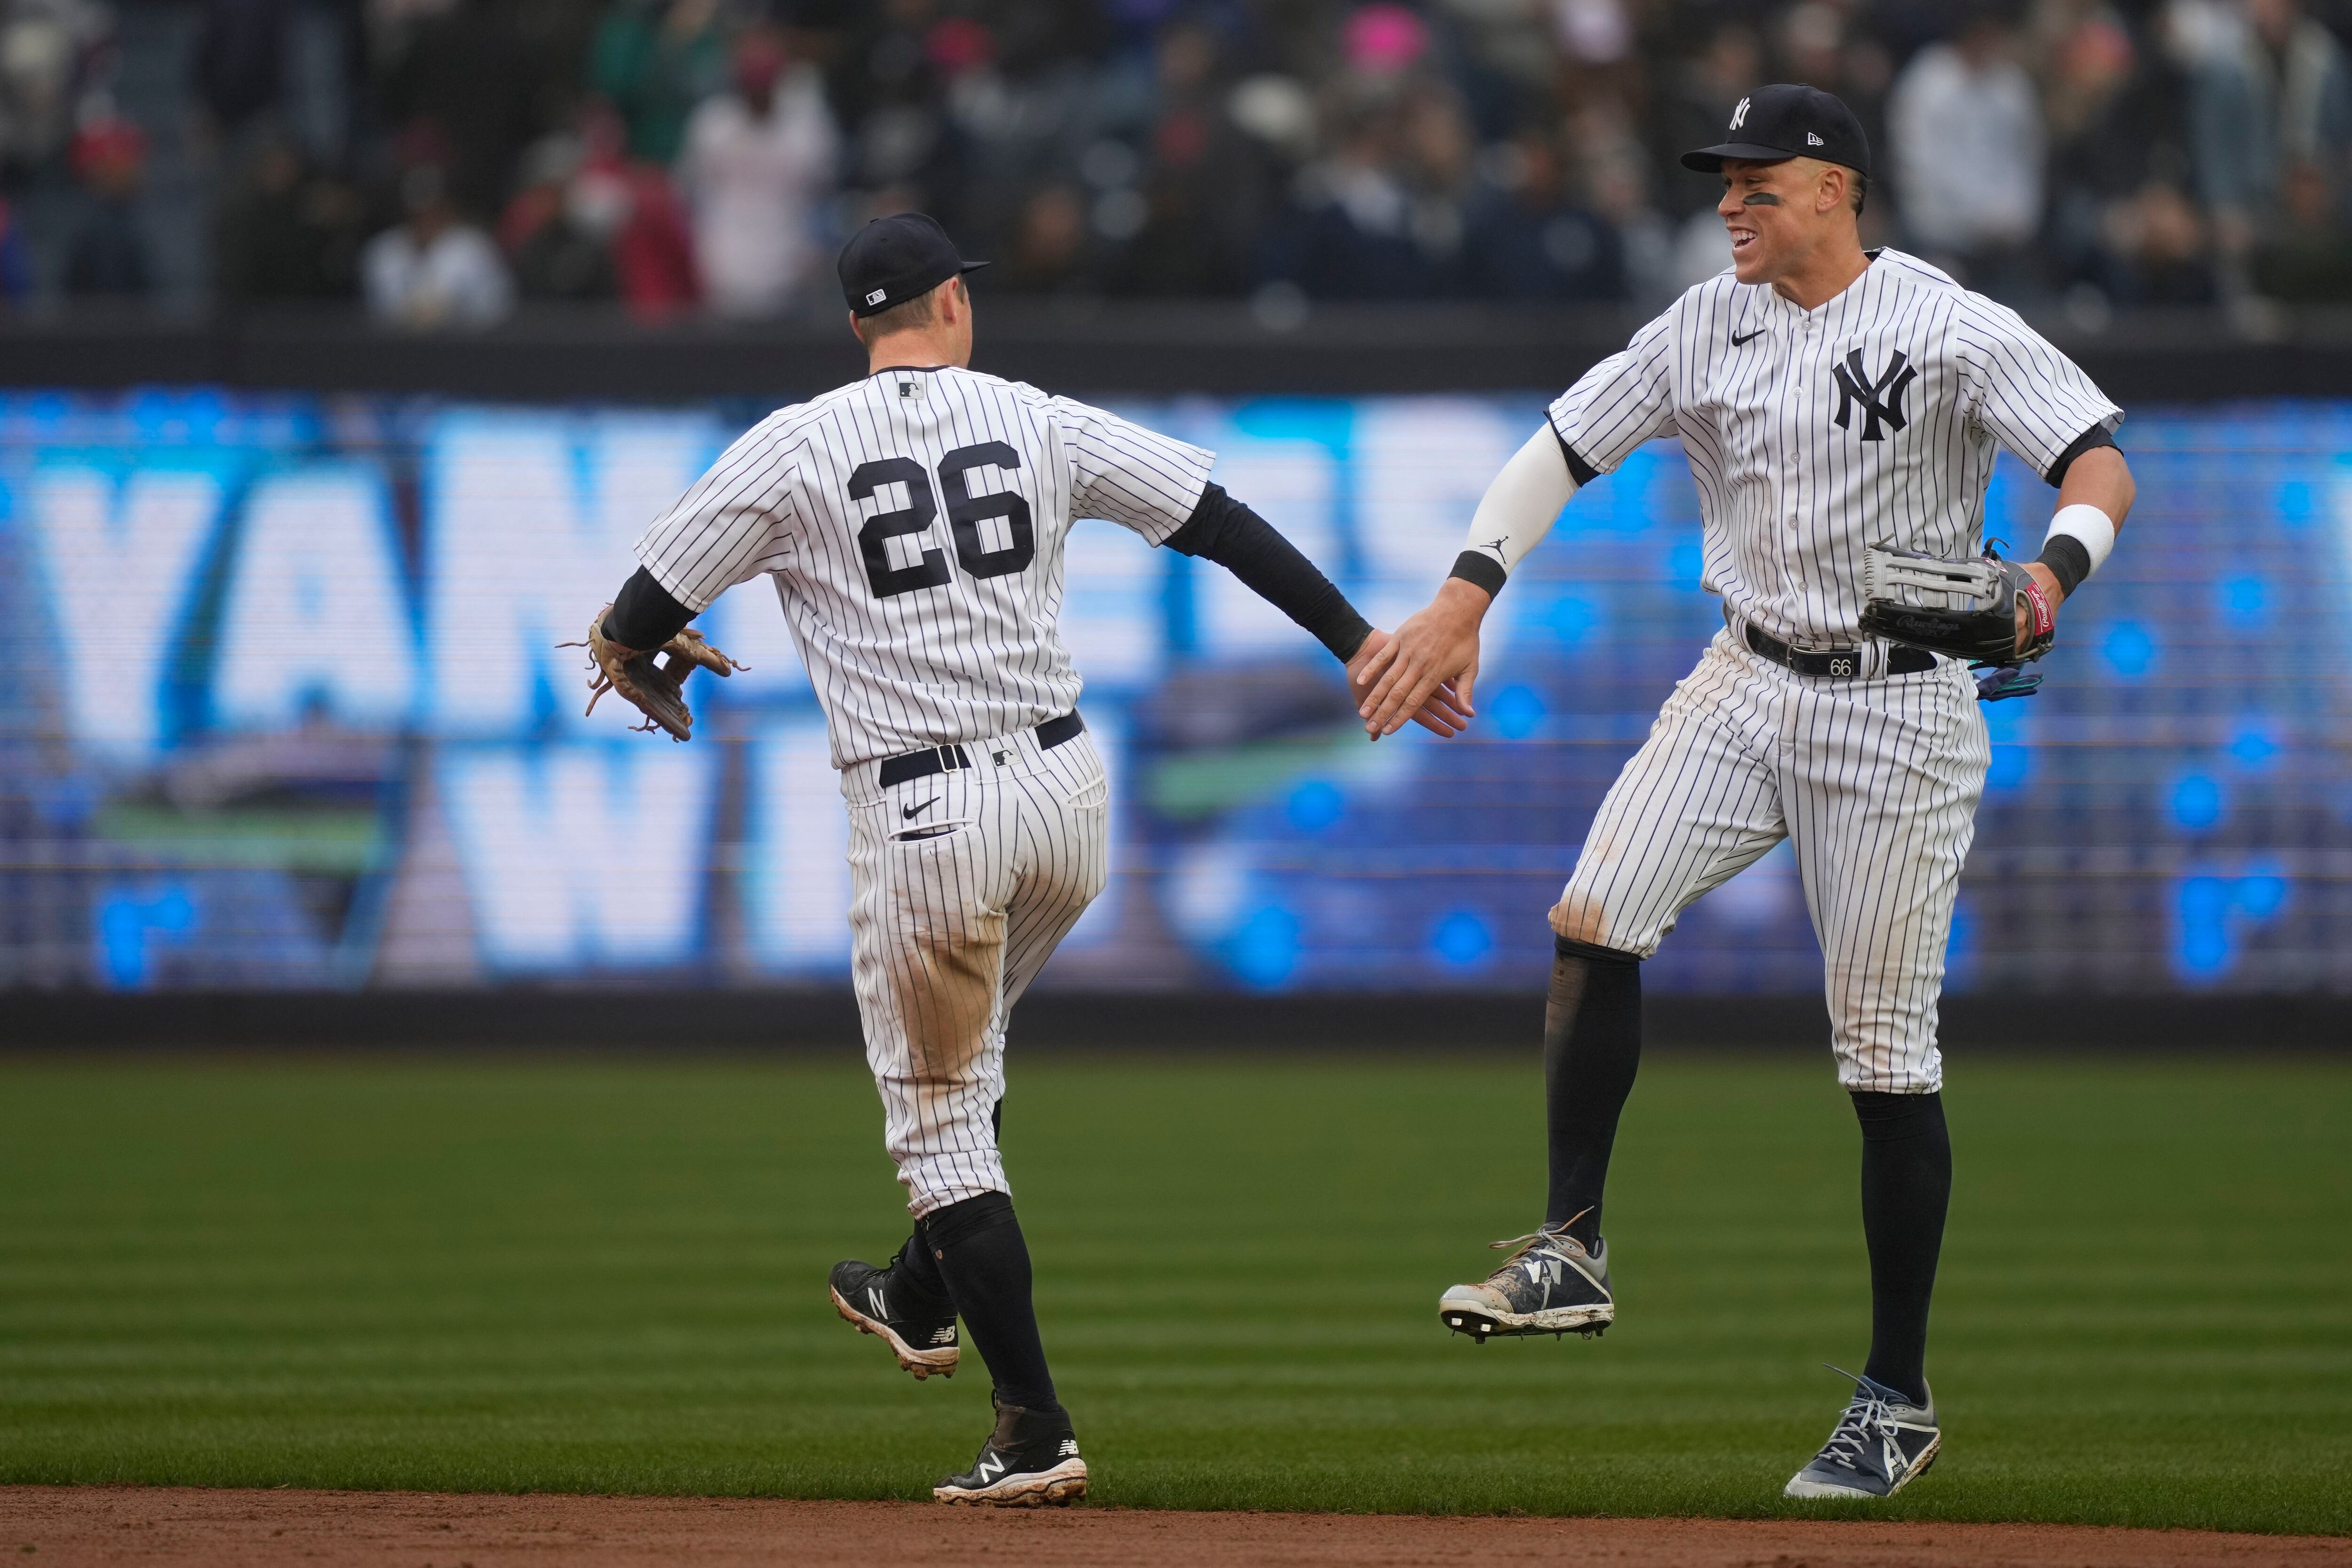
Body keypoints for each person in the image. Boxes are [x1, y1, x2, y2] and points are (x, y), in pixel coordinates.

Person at [581, 213, 1460, 1506]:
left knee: (941, 1129)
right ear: (949, 301)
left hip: (926, 812)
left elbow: (640, 611)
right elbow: (1215, 517)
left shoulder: (793, 445)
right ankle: (917, 1288)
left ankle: (1033, 1423)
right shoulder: (1034, 415)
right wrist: (1354, 639)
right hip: (1065, 798)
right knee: (971, 1072)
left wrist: (641, 650)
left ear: (856, 325)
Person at [1355, 84, 2136, 1501]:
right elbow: (1558, 451)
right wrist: (1464, 597)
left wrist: (2047, 572)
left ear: (1834, 188)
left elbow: (2094, 457)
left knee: (1883, 1059)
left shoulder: (1944, 324)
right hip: (1745, 672)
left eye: (1757, 182)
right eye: (1722, 180)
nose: (1728, 201)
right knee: (1593, 911)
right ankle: (1567, 1249)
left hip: (1899, 707)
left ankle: (1894, 1397)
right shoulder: (1698, 322)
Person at [677, 27, 837, 317]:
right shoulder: (712, 125)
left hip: (790, 271)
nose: (759, 91)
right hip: (724, 268)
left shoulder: (807, 129)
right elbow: (691, 195)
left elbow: (823, 198)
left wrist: (813, 251)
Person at [361, 164, 513, 329]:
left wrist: (450, 311)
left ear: (448, 208)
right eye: (420, 213)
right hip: (395, 347)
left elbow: (498, 306)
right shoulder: (383, 250)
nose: (427, 220)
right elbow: (378, 309)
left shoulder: (474, 247)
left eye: (434, 211)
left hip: (466, 345)